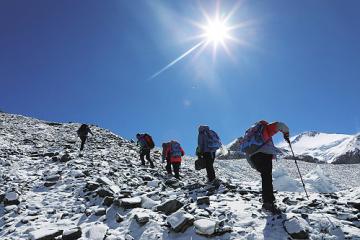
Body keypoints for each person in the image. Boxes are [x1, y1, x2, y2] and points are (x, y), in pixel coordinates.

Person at [242, 120, 290, 214]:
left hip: (254, 157)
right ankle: (268, 203)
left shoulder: (250, 136)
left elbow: (247, 152)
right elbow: (281, 125)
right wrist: (286, 134)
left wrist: (254, 165)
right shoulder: (264, 128)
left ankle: (268, 199)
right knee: (267, 177)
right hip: (264, 154)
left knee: (265, 176)